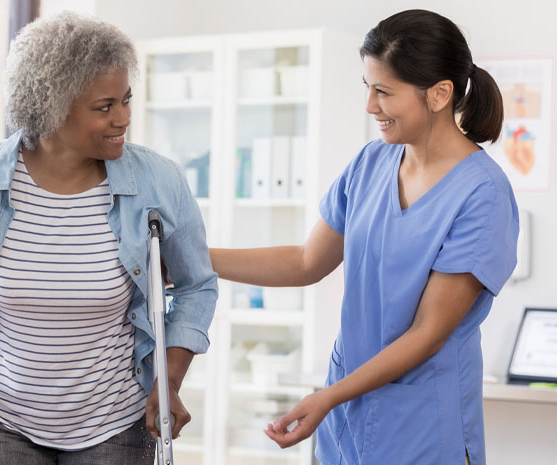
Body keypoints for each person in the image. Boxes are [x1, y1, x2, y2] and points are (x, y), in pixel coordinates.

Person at [210, 9, 517, 465]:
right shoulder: (370, 164)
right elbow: (305, 261)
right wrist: (193, 256)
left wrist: (328, 397)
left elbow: (427, 333)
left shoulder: (482, 194)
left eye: (384, 92)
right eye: (368, 88)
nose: (371, 106)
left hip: (424, 428)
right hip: (346, 422)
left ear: (439, 94)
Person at [0, 12, 217, 465]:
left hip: (114, 418)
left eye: (126, 100)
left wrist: (166, 383)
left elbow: (196, 285)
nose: (124, 118)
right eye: (105, 106)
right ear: (51, 106)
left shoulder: (158, 182)